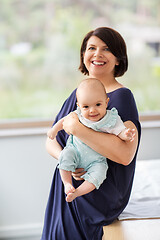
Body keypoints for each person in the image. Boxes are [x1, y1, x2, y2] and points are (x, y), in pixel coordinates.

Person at [41, 27, 141, 240]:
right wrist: (67, 161)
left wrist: (77, 129)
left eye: (106, 49)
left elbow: (125, 155)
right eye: (91, 48)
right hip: (67, 190)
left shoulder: (122, 97)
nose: (97, 54)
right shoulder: (77, 96)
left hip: (96, 198)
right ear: (83, 56)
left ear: (118, 59)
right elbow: (50, 141)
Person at [47, 78, 136, 202]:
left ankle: (77, 192)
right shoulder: (78, 114)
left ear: (106, 102)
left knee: (99, 173)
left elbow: (119, 131)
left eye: (98, 105)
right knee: (66, 155)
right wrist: (54, 130)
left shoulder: (111, 118)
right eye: (86, 107)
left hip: (96, 160)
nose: (92, 110)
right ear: (79, 106)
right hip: (75, 152)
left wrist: (126, 134)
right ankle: (67, 183)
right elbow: (63, 121)